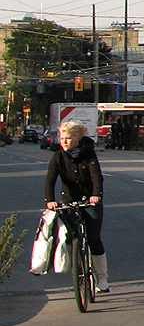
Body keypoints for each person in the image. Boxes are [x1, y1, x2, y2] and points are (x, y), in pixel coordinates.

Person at [44, 119, 109, 292]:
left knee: (94, 237)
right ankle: (77, 263)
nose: (64, 142)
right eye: (62, 138)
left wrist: (96, 196)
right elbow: (50, 180)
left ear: (77, 138)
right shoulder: (58, 156)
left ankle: (101, 278)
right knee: (69, 237)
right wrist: (49, 200)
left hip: (89, 200)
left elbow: (97, 177)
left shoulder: (88, 154)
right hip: (69, 200)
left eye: (68, 138)